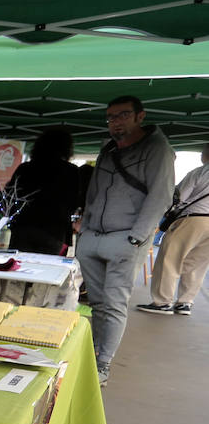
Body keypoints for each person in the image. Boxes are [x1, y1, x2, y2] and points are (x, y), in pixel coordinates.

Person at [74, 95, 176, 384]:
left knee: (115, 302)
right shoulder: (108, 149)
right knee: (97, 303)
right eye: (110, 117)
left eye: (122, 115)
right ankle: (91, 355)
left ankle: (102, 365)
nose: (115, 122)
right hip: (93, 236)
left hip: (125, 238)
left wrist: (136, 238)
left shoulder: (158, 149)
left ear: (139, 116)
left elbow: (160, 197)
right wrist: (85, 228)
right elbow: (94, 190)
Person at [138, 142, 209, 316]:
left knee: (169, 260)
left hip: (192, 220)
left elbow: (179, 197)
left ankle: (162, 302)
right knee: (197, 265)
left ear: (206, 155)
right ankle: (185, 302)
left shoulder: (200, 173)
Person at [5, 128, 82, 255]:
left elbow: (10, 195)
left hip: (23, 227)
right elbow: (73, 203)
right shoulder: (71, 171)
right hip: (54, 230)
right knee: (45, 270)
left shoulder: (25, 168)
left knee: (17, 269)